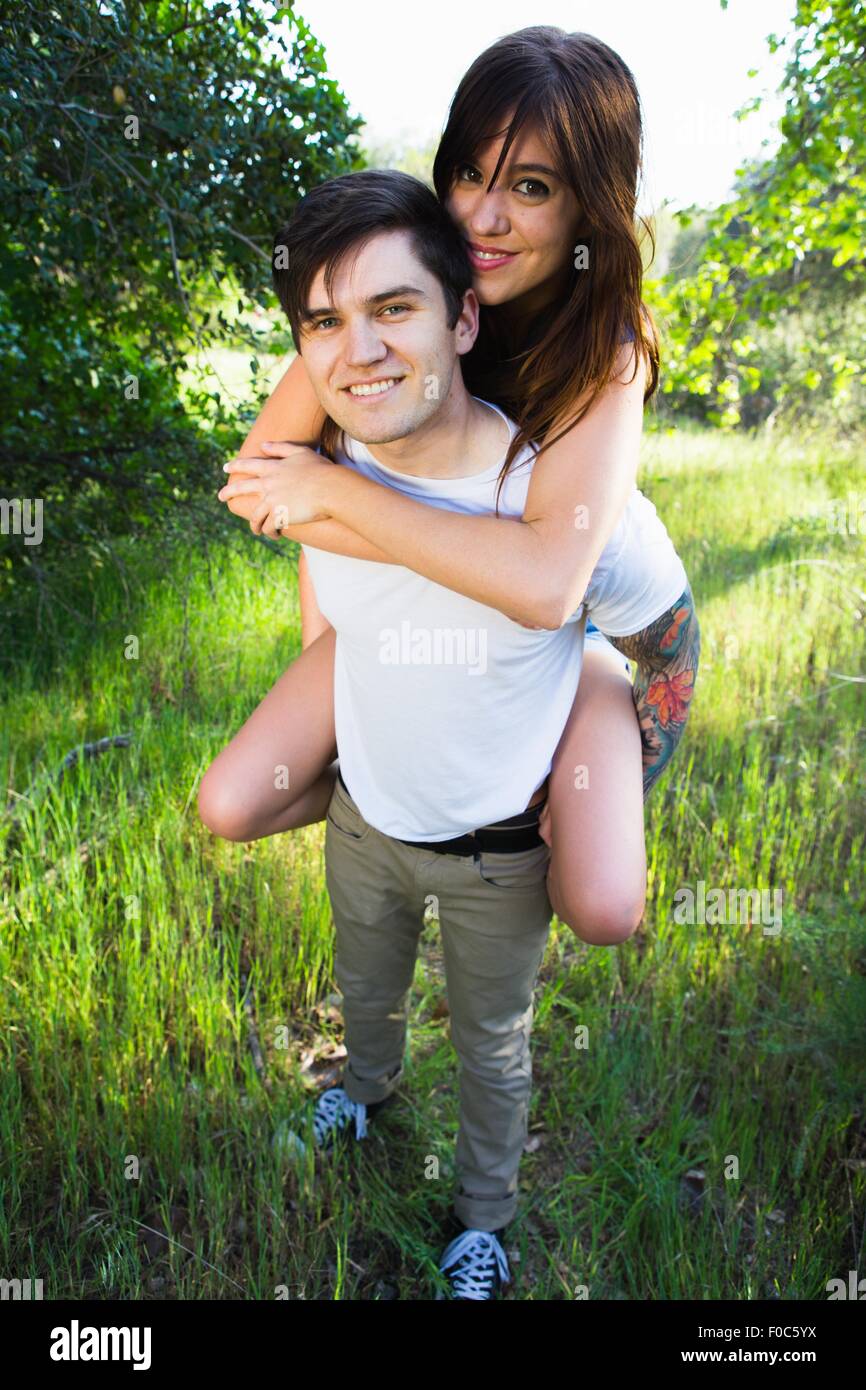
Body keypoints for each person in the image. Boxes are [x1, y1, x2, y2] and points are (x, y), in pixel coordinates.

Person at [203, 167, 699, 1300]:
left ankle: (481, 1217)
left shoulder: (556, 509)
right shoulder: (318, 463)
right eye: (325, 323)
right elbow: (308, 559)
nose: (361, 348)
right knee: (366, 989)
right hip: (369, 819)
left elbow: (661, 639)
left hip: (496, 849)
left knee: (490, 1044)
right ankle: (363, 1090)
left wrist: (612, 755)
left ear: (463, 319)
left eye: (394, 308)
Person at [198, 26, 700, 944]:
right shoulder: (397, 286)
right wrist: (345, 638)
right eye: (469, 174)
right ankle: (395, 816)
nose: (484, 218)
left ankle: (531, 790)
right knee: (233, 802)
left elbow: (545, 587)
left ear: (591, 206)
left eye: (532, 188)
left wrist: (335, 492)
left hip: (587, 634)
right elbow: (259, 484)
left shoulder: (608, 351)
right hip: (425, 607)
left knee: (601, 907)